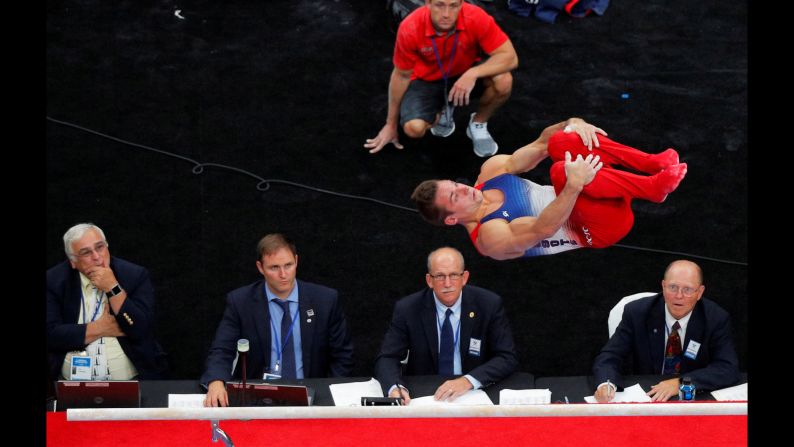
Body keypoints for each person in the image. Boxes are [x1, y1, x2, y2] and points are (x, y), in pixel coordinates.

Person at [411, 117, 688, 260]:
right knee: (560, 172)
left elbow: (543, 143)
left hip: (600, 189)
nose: (464, 188)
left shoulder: (491, 172)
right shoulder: (489, 238)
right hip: (597, 229)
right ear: (451, 219)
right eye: (454, 196)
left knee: (560, 142)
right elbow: (542, 229)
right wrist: (574, 186)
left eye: (456, 185)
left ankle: (652, 163)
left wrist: (574, 124)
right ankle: (652, 188)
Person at [202, 233, 354, 407]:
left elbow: (343, 355)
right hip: (257, 399)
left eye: (288, 265)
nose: (283, 274)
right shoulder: (241, 302)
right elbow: (222, 349)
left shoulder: (325, 300)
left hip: (313, 398)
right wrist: (216, 381)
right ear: (260, 267)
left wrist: (327, 397)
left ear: (296, 261)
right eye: (274, 267)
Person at [365, 0, 518, 157]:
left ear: (461, 4)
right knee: (413, 129)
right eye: (439, 5)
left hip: (465, 72)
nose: (446, 14)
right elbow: (401, 75)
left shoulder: (476, 16)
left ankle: (478, 123)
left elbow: (510, 57)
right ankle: (442, 108)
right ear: (428, 3)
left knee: (503, 80)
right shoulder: (410, 27)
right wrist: (390, 124)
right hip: (427, 80)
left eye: (453, 6)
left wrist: (473, 73)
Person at [375, 247, 518, 404]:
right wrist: (394, 387)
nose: (447, 283)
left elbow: (506, 357)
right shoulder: (408, 309)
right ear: (429, 280)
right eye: (440, 276)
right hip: (425, 395)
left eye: (454, 275)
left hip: (472, 393)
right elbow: (388, 357)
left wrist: (468, 381)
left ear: (465, 277)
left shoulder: (488, 304)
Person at [592, 260, 740, 402]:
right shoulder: (637, 312)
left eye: (687, 289)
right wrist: (606, 384)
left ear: (700, 292)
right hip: (647, 394)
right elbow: (610, 355)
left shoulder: (715, 318)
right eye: (673, 287)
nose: (679, 295)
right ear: (663, 286)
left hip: (689, 397)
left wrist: (680, 383)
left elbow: (727, 368)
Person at [46, 223, 168, 381]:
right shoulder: (53, 281)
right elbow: (51, 335)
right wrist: (100, 328)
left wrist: (113, 287)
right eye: (86, 253)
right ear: (73, 262)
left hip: (132, 381)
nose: (97, 257)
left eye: (100, 247)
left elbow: (141, 329)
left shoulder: (133, 275)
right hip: (69, 383)